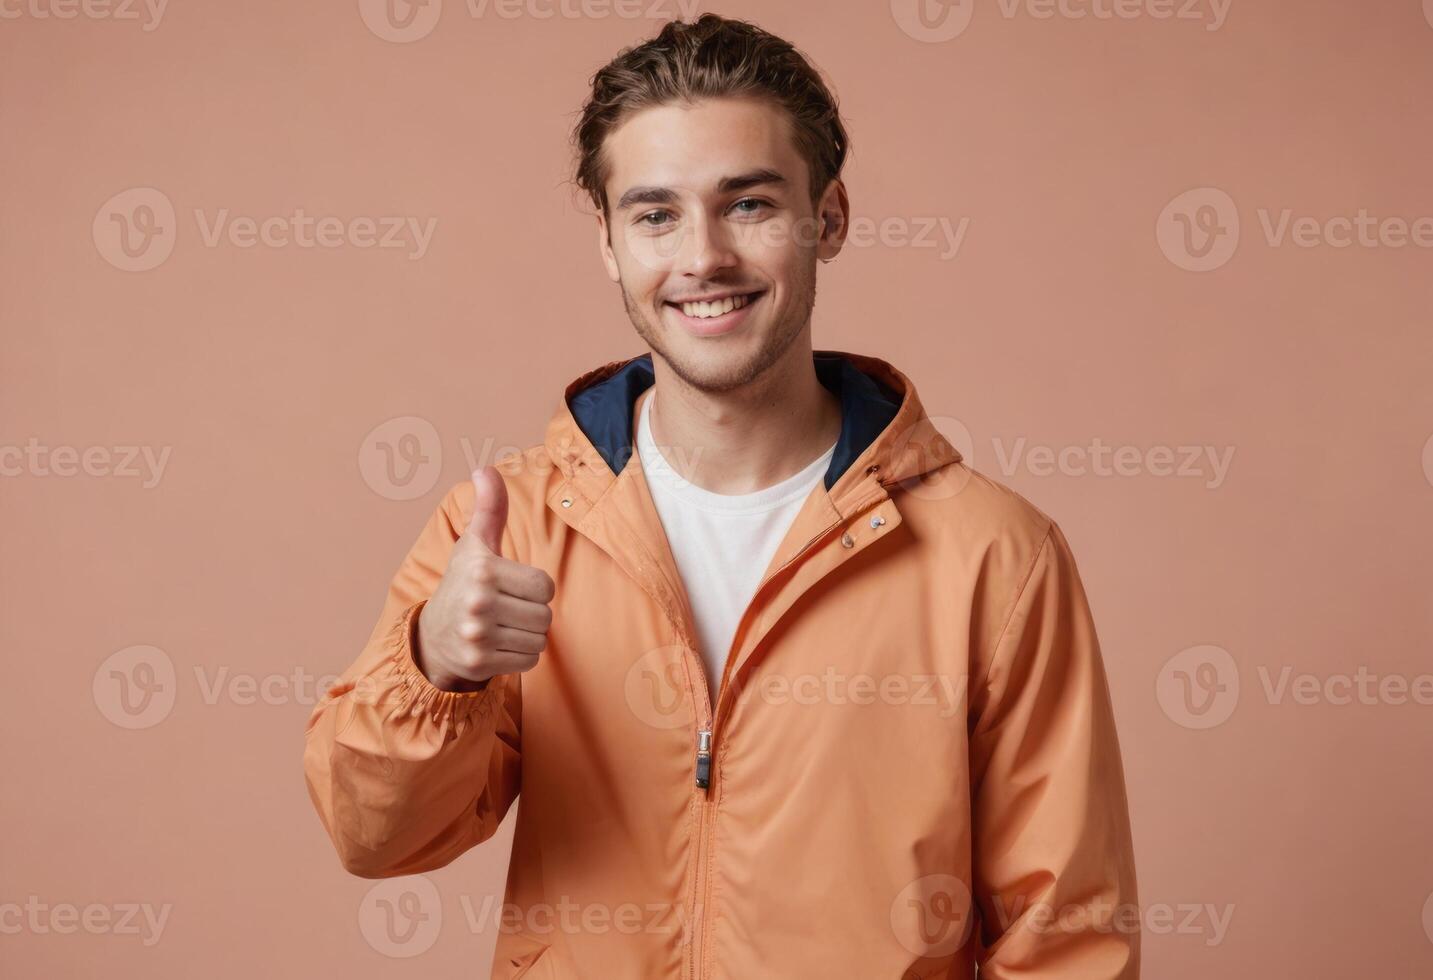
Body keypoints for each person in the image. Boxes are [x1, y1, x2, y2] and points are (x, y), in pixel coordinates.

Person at [304, 13, 1139, 978]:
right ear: (610, 245)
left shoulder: (993, 555)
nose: (701, 257)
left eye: (747, 204)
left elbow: (1067, 936)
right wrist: (436, 666)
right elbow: (376, 838)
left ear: (826, 219)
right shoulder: (507, 534)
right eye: (655, 213)